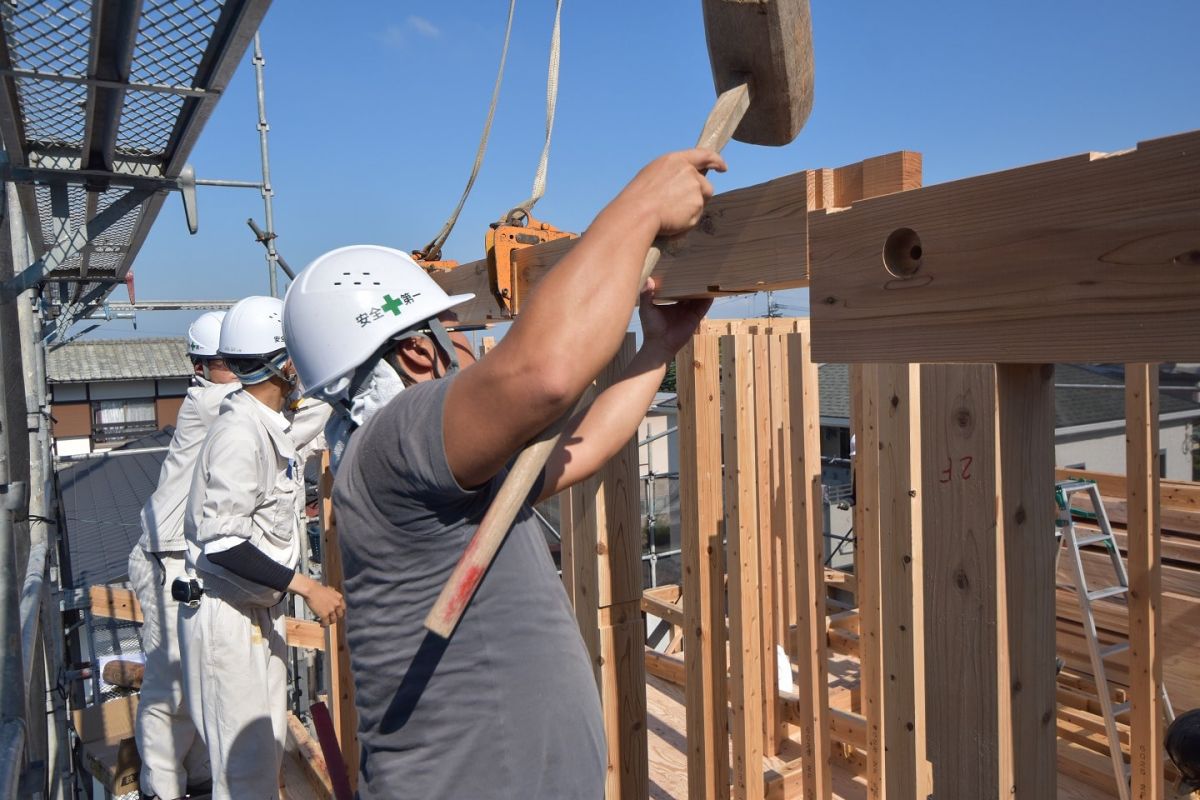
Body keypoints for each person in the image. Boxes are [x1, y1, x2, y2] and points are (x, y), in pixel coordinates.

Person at [282, 148, 723, 798]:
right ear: (415, 349)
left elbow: (582, 443)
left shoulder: (428, 472)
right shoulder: (398, 438)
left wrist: (657, 348)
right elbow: (543, 373)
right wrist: (641, 205)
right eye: (455, 329)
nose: (473, 345)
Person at [178, 296, 343, 800]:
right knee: (246, 776)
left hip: (253, 614)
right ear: (279, 362)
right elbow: (224, 540)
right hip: (226, 621)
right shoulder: (238, 432)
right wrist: (308, 587)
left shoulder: (266, 422)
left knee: (265, 754)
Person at [127, 310, 237, 799]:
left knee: (200, 676)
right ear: (201, 366)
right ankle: (163, 788)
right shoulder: (209, 401)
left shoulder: (229, 398)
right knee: (169, 684)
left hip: (192, 559)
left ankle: (193, 777)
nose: (239, 369)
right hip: (164, 558)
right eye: (227, 361)